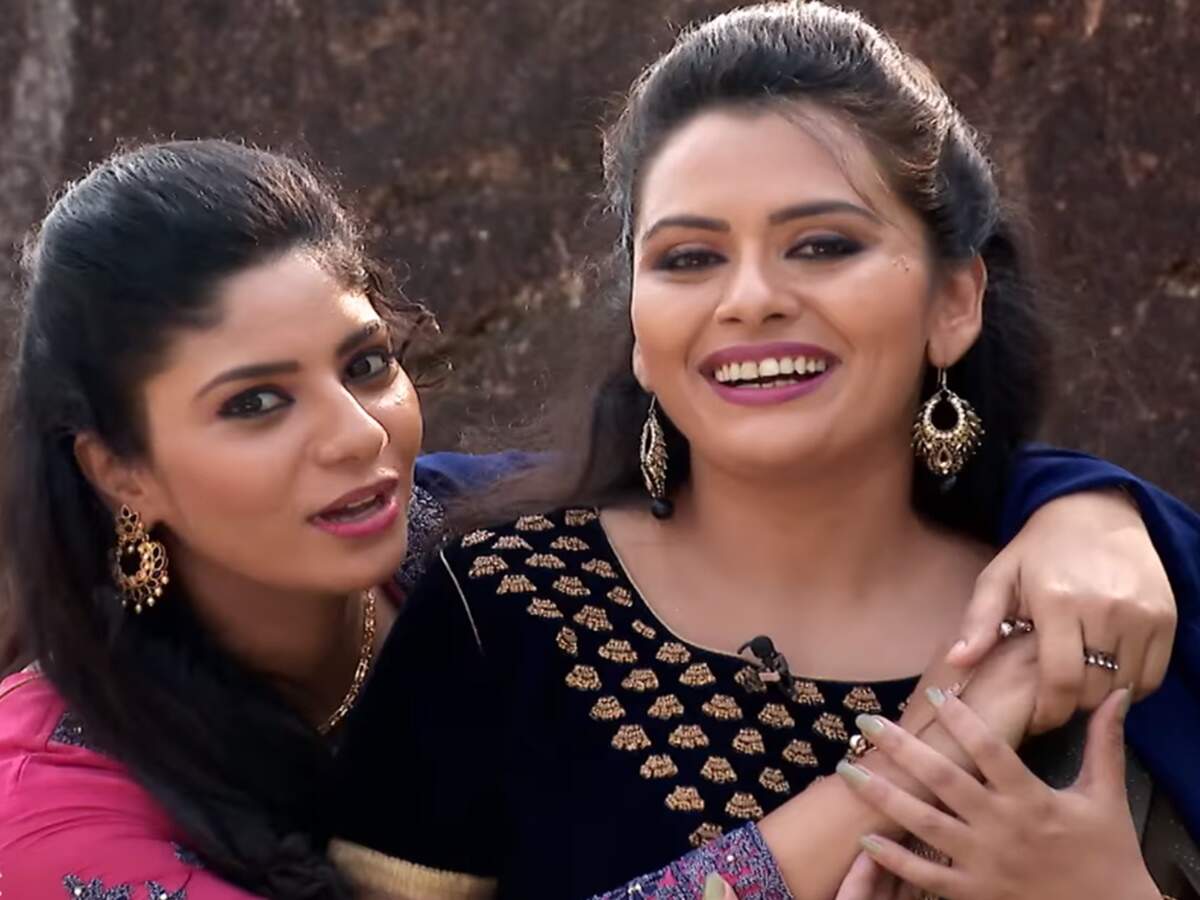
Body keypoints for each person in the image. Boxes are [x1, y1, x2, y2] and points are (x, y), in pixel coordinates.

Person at [331, 4, 1199, 899]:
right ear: (638, 329)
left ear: (954, 303)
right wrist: (921, 759)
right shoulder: (499, 609)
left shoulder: (1102, 625)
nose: (750, 298)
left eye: (822, 245)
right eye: (688, 258)